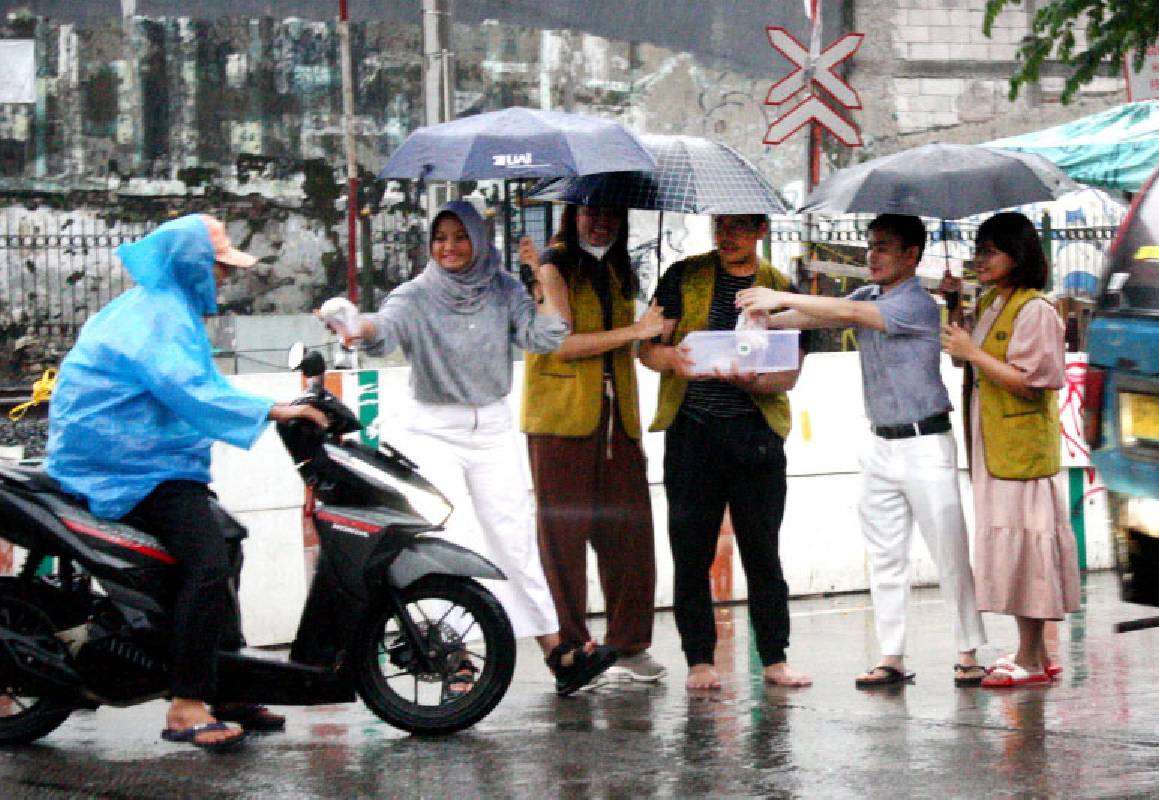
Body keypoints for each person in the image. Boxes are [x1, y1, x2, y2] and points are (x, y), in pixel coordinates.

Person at [46, 214, 327, 751]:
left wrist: (275, 408)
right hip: (126, 466)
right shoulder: (159, 316)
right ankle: (186, 704)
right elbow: (193, 392)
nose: (223, 278)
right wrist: (277, 409)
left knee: (227, 541)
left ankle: (227, 684)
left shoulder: (162, 308)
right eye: (218, 267)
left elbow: (197, 386)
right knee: (205, 564)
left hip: (140, 460)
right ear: (193, 266)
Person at [319, 200, 617, 696]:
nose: (450, 248)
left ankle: (557, 651)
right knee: (452, 539)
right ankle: (453, 655)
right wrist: (353, 324)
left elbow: (545, 337)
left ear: (480, 240)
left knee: (514, 538)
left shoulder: (502, 288)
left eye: (461, 237)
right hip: (432, 428)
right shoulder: (415, 295)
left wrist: (538, 277)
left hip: (493, 426)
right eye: (441, 238)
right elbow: (381, 330)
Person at [736, 213, 988, 689]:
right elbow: (820, 313)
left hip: (925, 441)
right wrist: (766, 316)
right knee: (886, 555)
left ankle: (968, 652)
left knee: (950, 553)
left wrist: (781, 297)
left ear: (912, 255)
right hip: (880, 441)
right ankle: (891, 656)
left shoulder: (915, 304)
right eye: (871, 245)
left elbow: (849, 316)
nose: (872, 255)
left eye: (884, 247)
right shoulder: (867, 295)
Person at [639, 213, 811, 691]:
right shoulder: (684, 275)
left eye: (739, 227)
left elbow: (790, 375)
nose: (727, 236)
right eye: (720, 225)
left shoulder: (780, 287)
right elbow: (649, 347)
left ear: (760, 230)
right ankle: (699, 660)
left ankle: (774, 657)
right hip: (692, 432)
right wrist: (671, 358)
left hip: (756, 434)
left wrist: (753, 380)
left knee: (763, 550)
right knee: (690, 550)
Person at [519, 205, 666, 684]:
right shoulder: (552, 265)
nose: (601, 220)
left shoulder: (619, 267)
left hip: (618, 416)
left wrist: (648, 334)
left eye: (610, 212)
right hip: (560, 419)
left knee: (630, 532)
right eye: (591, 211)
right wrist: (636, 331)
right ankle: (571, 649)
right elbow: (560, 341)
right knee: (563, 538)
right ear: (574, 213)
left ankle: (627, 643)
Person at [940, 211, 1079, 688]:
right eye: (979, 250)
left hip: (1019, 450)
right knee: (1016, 546)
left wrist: (974, 353)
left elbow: (1032, 382)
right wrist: (956, 308)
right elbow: (972, 357)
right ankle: (1034, 653)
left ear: (1018, 256)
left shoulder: (1034, 309)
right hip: (995, 444)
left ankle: (1031, 656)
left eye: (992, 251)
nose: (982, 260)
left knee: (1028, 549)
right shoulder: (996, 303)